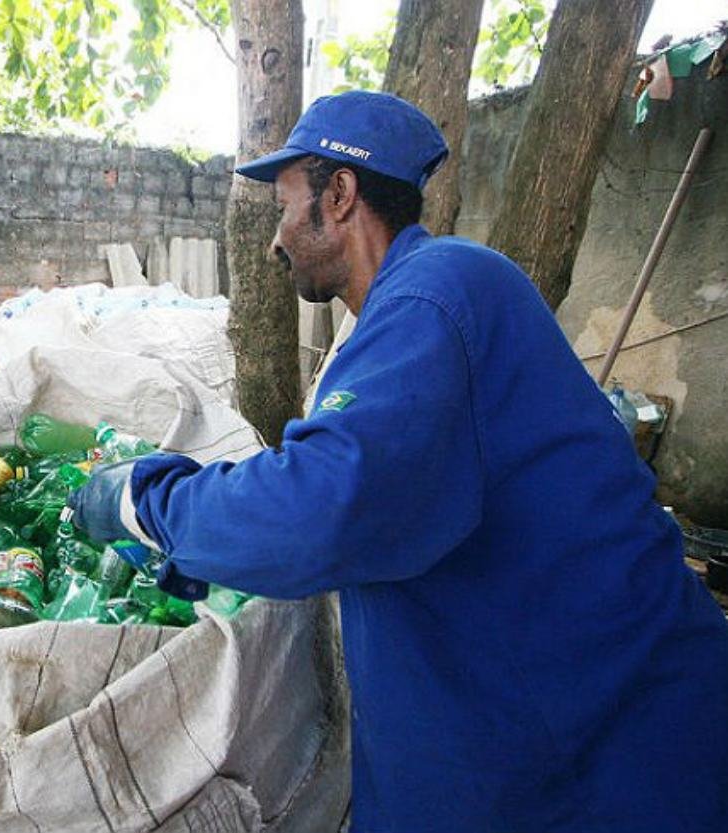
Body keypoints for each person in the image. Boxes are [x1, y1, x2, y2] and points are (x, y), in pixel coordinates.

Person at [69, 91, 728, 832]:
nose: (274, 242)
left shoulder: (435, 297)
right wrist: (203, 552)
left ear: (340, 194)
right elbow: (385, 503)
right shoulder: (418, 305)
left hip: (598, 758)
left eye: (286, 208)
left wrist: (143, 498)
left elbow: (319, 508)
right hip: (535, 727)